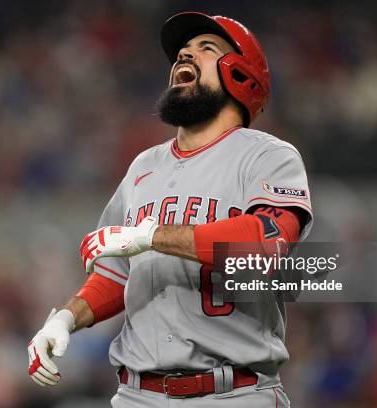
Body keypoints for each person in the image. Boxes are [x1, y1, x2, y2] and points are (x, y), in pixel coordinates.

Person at [27, 11, 313, 407]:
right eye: (182, 51)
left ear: (241, 75)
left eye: (206, 48)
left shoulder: (267, 156)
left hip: (234, 392)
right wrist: (66, 318)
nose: (184, 54)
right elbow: (117, 272)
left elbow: (267, 244)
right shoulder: (143, 167)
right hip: (135, 394)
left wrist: (149, 236)